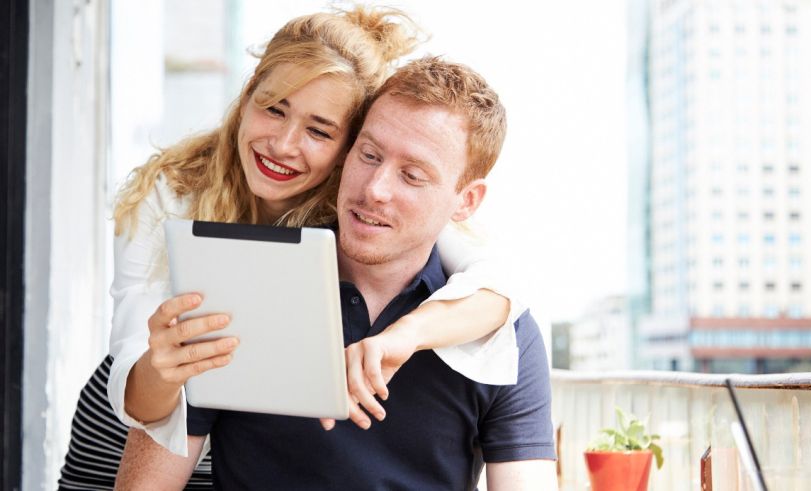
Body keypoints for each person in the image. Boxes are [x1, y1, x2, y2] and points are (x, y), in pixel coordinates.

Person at [58, 6, 522, 489]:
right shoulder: (171, 193)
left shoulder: (363, 210)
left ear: (349, 147)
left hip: (238, 441)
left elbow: (500, 290)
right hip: (135, 425)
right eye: (274, 106)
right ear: (248, 92)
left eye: (319, 130)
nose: (282, 144)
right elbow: (136, 377)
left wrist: (404, 335)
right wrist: (163, 368)